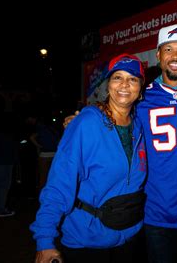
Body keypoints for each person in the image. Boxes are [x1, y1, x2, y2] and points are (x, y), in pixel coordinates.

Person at [64, 24, 177, 262]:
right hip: (154, 214)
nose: (175, 57)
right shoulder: (142, 97)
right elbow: (115, 117)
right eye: (168, 49)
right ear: (158, 55)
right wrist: (83, 120)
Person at [30, 54, 148, 263]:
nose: (124, 85)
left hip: (130, 238)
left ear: (140, 89)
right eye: (117, 77)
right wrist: (45, 240)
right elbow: (59, 183)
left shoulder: (138, 126)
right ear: (108, 84)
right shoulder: (86, 123)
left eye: (133, 79)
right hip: (88, 241)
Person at [0, 114, 20, 217]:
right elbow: (12, 149)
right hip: (4, 162)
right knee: (3, 186)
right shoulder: (7, 135)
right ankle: (0, 210)